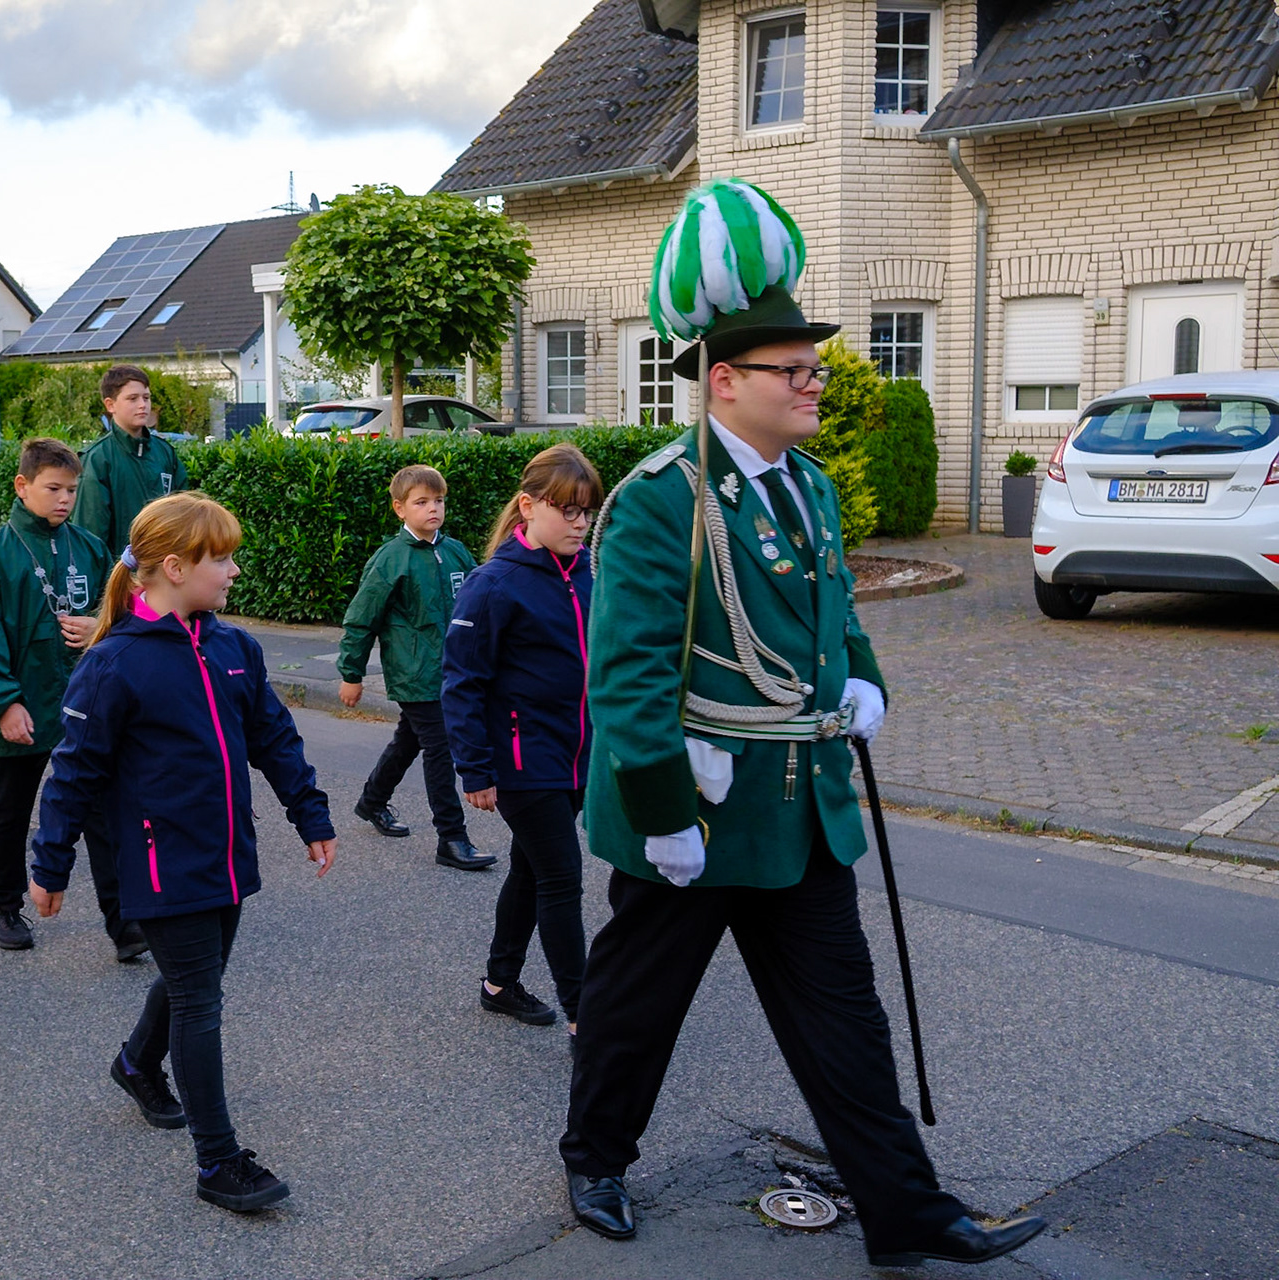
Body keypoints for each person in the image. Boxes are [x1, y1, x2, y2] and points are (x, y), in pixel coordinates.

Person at [559, 179, 1044, 1268]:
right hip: (696, 805)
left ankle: (908, 1213)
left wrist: (864, 680)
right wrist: (663, 811)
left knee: (846, 1021)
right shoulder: (661, 499)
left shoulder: (811, 490)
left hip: (799, 805)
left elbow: (833, 619)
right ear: (723, 381)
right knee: (638, 1006)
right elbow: (627, 674)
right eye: (796, 370)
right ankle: (595, 1154)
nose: (817, 381)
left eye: (815, 366)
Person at [30, 492, 336, 1215]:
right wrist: (50, 864)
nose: (233, 570)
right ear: (173, 567)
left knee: (194, 977)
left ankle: (137, 1064)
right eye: (220, 558)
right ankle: (219, 1162)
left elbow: (275, 738)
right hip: (161, 863)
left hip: (226, 854)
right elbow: (73, 771)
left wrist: (310, 812)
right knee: (201, 1000)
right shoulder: (114, 665)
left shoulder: (233, 648)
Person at [442, 445, 600, 1050]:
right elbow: (460, 682)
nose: (579, 522)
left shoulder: (588, 572)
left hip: (577, 755)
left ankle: (499, 982)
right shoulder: (493, 584)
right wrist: (475, 768)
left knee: (532, 870)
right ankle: (583, 1011)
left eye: (587, 510)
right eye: (567, 510)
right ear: (529, 506)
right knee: (562, 875)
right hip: (521, 762)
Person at [0, 437, 144, 958]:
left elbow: (124, 615)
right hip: (23, 705)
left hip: (85, 708)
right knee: (9, 811)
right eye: (53, 488)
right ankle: (2, 906)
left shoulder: (88, 547)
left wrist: (99, 627)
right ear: (22, 486)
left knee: (101, 816)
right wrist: (4, 702)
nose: (64, 499)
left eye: (71, 489)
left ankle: (123, 923)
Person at [336, 464, 491, 871]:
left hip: (453, 671)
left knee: (410, 739)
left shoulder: (455, 551)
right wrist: (351, 674)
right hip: (415, 673)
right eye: (421, 502)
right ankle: (452, 839)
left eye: (438, 501)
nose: (433, 509)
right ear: (399, 509)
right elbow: (361, 618)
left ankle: (371, 801)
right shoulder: (391, 559)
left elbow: (478, 606)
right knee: (440, 747)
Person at [73, 364, 188, 556]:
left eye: (146, 397)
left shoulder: (166, 453)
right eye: (132, 399)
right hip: (122, 578)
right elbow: (90, 536)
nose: (143, 405)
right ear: (110, 405)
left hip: (166, 574)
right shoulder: (97, 459)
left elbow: (185, 515)